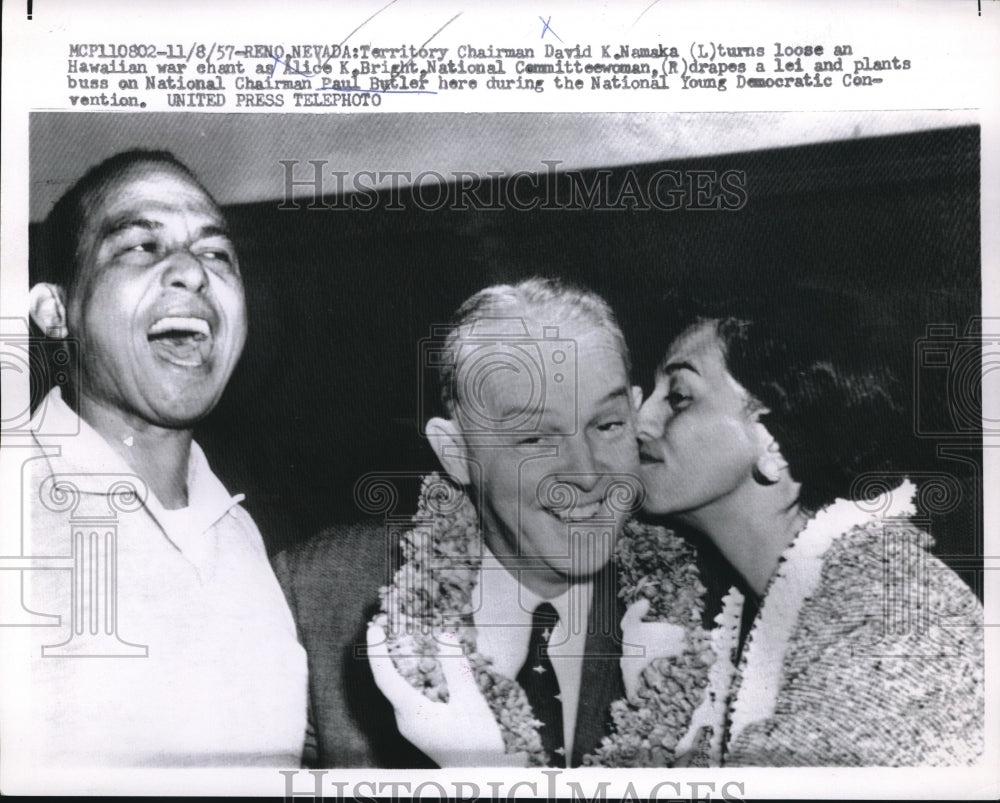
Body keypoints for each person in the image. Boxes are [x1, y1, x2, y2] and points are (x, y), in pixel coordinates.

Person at [275, 278, 685, 767]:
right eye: (534, 439)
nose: (587, 473)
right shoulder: (321, 595)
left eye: (609, 425)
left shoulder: (707, 612)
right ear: (457, 452)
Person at [14, 150, 307, 768]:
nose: (193, 273)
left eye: (216, 254)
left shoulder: (241, 535)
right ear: (54, 310)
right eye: (141, 246)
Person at [633, 295, 984, 766]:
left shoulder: (899, 620)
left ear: (773, 444)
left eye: (678, 397)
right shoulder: (746, 605)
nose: (639, 422)